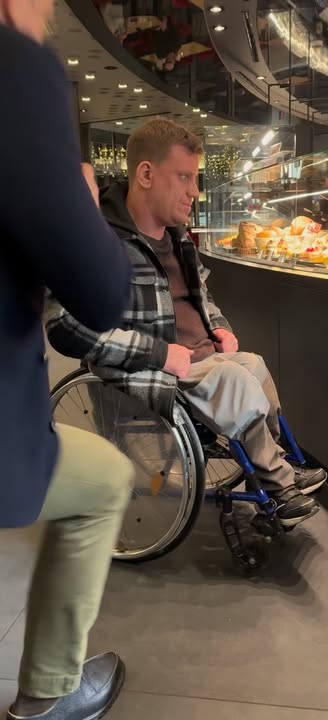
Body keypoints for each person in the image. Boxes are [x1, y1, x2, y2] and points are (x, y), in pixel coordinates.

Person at [47, 118, 327, 529]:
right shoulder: (97, 242)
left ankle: (279, 461)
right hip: (152, 367)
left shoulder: (178, 236)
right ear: (146, 174)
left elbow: (201, 296)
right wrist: (160, 354)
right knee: (235, 381)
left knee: (254, 366)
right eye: (184, 177)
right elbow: (63, 325)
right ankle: (280, 485)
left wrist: (219, 326)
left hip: (201, 357)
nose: (195, 191)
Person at [0, 2, 136, 719]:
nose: (49, 11)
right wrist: (82, 206)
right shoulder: (15, 70)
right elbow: (102, 293)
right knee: (105, 480)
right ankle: (48, 698)